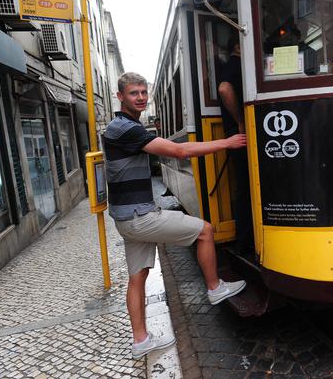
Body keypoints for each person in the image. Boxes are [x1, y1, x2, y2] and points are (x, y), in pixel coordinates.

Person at [104, 72, 247, 359]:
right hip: (139, 218)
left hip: (127, 219)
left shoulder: (124, 127)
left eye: (144, 92)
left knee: (138, 277)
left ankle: (141, 340)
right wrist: (227, 142)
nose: (141, 97)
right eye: (134, 93)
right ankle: (215, 287)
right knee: (205, 230)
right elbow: (180, 151)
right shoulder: (126, 129)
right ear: (120, 97)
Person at [217, 36, 254, 254]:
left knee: (246, 186)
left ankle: (245, 240)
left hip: (238, 133)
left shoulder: (237, 65)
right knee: (247, 187)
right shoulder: (235, 64)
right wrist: (240, 121)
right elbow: (224, 89)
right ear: (238, 46)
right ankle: (245, 241)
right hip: (240, 134)